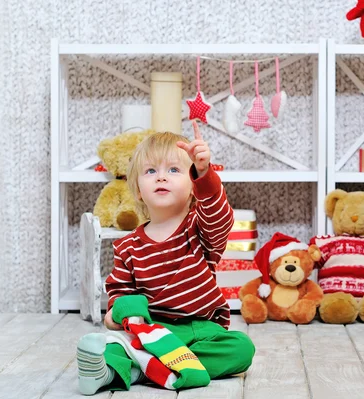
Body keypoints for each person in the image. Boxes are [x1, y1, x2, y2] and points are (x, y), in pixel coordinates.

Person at [76, 121, 255, 395]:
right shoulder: (128, 247)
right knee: (113, 346)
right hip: (154, 332)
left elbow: (220, 216)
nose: (161, 177)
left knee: (242, 349)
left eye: (173, 170)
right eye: (150, 171)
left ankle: (143, 367)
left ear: (193, 185)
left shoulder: (200, 228)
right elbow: (120, 293)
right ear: (137, 189)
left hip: (200, 330)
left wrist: (204, 172)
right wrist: (118, 313)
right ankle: (118, 368)